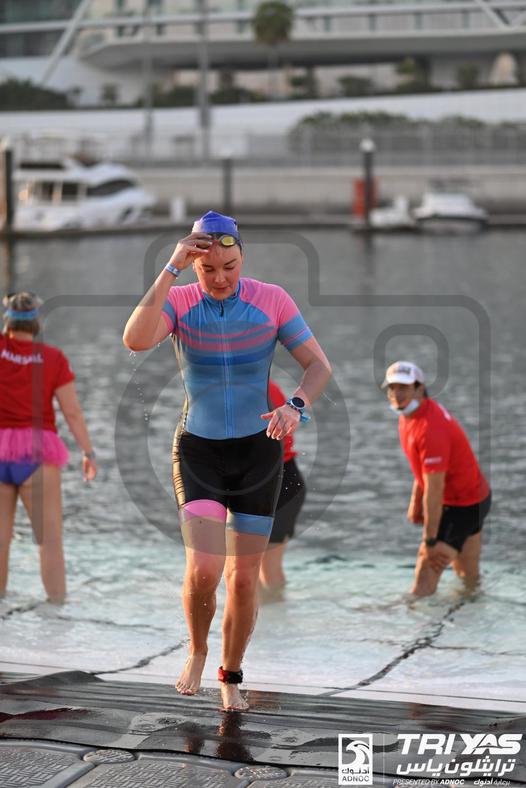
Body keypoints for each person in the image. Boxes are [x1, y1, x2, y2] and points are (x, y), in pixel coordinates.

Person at [123, 210, 331, 711]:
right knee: (204, 570)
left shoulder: (271, 300)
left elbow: (317, 367)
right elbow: (135, 339)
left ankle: (230, 675)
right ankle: (197, 649)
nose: (219, 279)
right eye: (208, 269)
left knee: (242, 578)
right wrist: (170, 268)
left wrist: (295, 405)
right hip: (198, 450)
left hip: (259, 452)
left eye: (229, 268)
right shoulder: (180, 300)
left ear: (243, 258)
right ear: (193, 265)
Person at [0, 292, 97, 603]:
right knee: (49, 542)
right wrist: (88, 452)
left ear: (7, 321)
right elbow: (72, 412)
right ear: (37, 323)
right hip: (37, 454)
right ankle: (58, 614)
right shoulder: (53, 358)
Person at [383, 361, 491, 598]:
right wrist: (415, 501)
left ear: (419, 388)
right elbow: (422, 469)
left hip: (461, 505)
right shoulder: (409, 416)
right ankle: (474, 613)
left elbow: (435, 489)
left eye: (404, 387)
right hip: (477, 497)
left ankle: (410, 617)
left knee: (426, 573)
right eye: (392, 387)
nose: (397, 394)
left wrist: (430, 541)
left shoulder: (430, 428)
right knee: (468, 576)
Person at [259, 378, 306, 594]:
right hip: (258, 483)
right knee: (247, 568)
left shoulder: (266, 388)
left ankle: (279, 611)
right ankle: (262, 612)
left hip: (283, 482)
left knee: (269, 568)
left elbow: (284, 436)